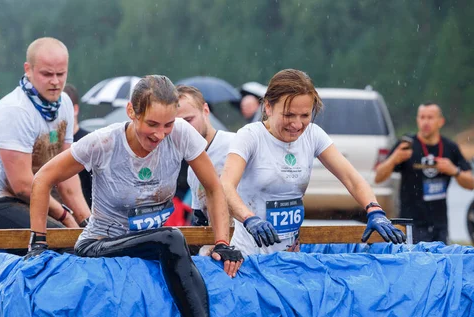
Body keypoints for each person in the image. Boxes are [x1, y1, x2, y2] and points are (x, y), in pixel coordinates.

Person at [26, 75, 242, 317]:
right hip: (101, 243)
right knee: (172, 237)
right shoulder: (103, 142)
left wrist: (222, 242)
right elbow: (43, 178)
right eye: (152, 124)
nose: (160, 134)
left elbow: (213, 186)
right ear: (131, 111)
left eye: (168, 124)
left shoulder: (180, 134)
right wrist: (38, 242)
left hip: (151, 243)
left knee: (170, 240)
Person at [220, 69, 406, 256]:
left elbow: (351, 178)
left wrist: (375, 210)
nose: (297, 124)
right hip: (249, 255)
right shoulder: (250, 136)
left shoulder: (313, 134)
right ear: (268, 107)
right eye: (289, 115)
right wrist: (249, 218)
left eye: (305, 116)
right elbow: (226, 185)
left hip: (290, 257)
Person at [0, 38, 90, 230]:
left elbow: (67, 176)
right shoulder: (15, 111)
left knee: (83, 239)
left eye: (61, 74)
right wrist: (65, 216)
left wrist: (87, 223)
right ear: (28, 69)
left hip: (27, 202)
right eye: (47, 74)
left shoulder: (64, 104)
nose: (55, 82)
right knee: (63, 241)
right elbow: (22, 185)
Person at [375, 103, 474, 243]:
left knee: (440, 263)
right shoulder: (406, 145)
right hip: (410, 224)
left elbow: (470, 184)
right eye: (422, 117)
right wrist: (393, 159)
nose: (425, 122)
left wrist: (454, 171)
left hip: (439, 225)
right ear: (417, 120)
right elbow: (378, 177)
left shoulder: (449, 147)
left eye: (430, 117)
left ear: (441, 121)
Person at [176, 85, 235, 227]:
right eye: (178, 124)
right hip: (216, 243)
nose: (185, 129)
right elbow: (200, 219)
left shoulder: (235, 144)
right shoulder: (192, 167)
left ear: (205, 110)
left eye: (189, 120)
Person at [63, 84, 92, 207]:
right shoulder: (53, 142)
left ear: (75, 110)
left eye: (64, 108)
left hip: (86, 208)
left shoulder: (90, 141)